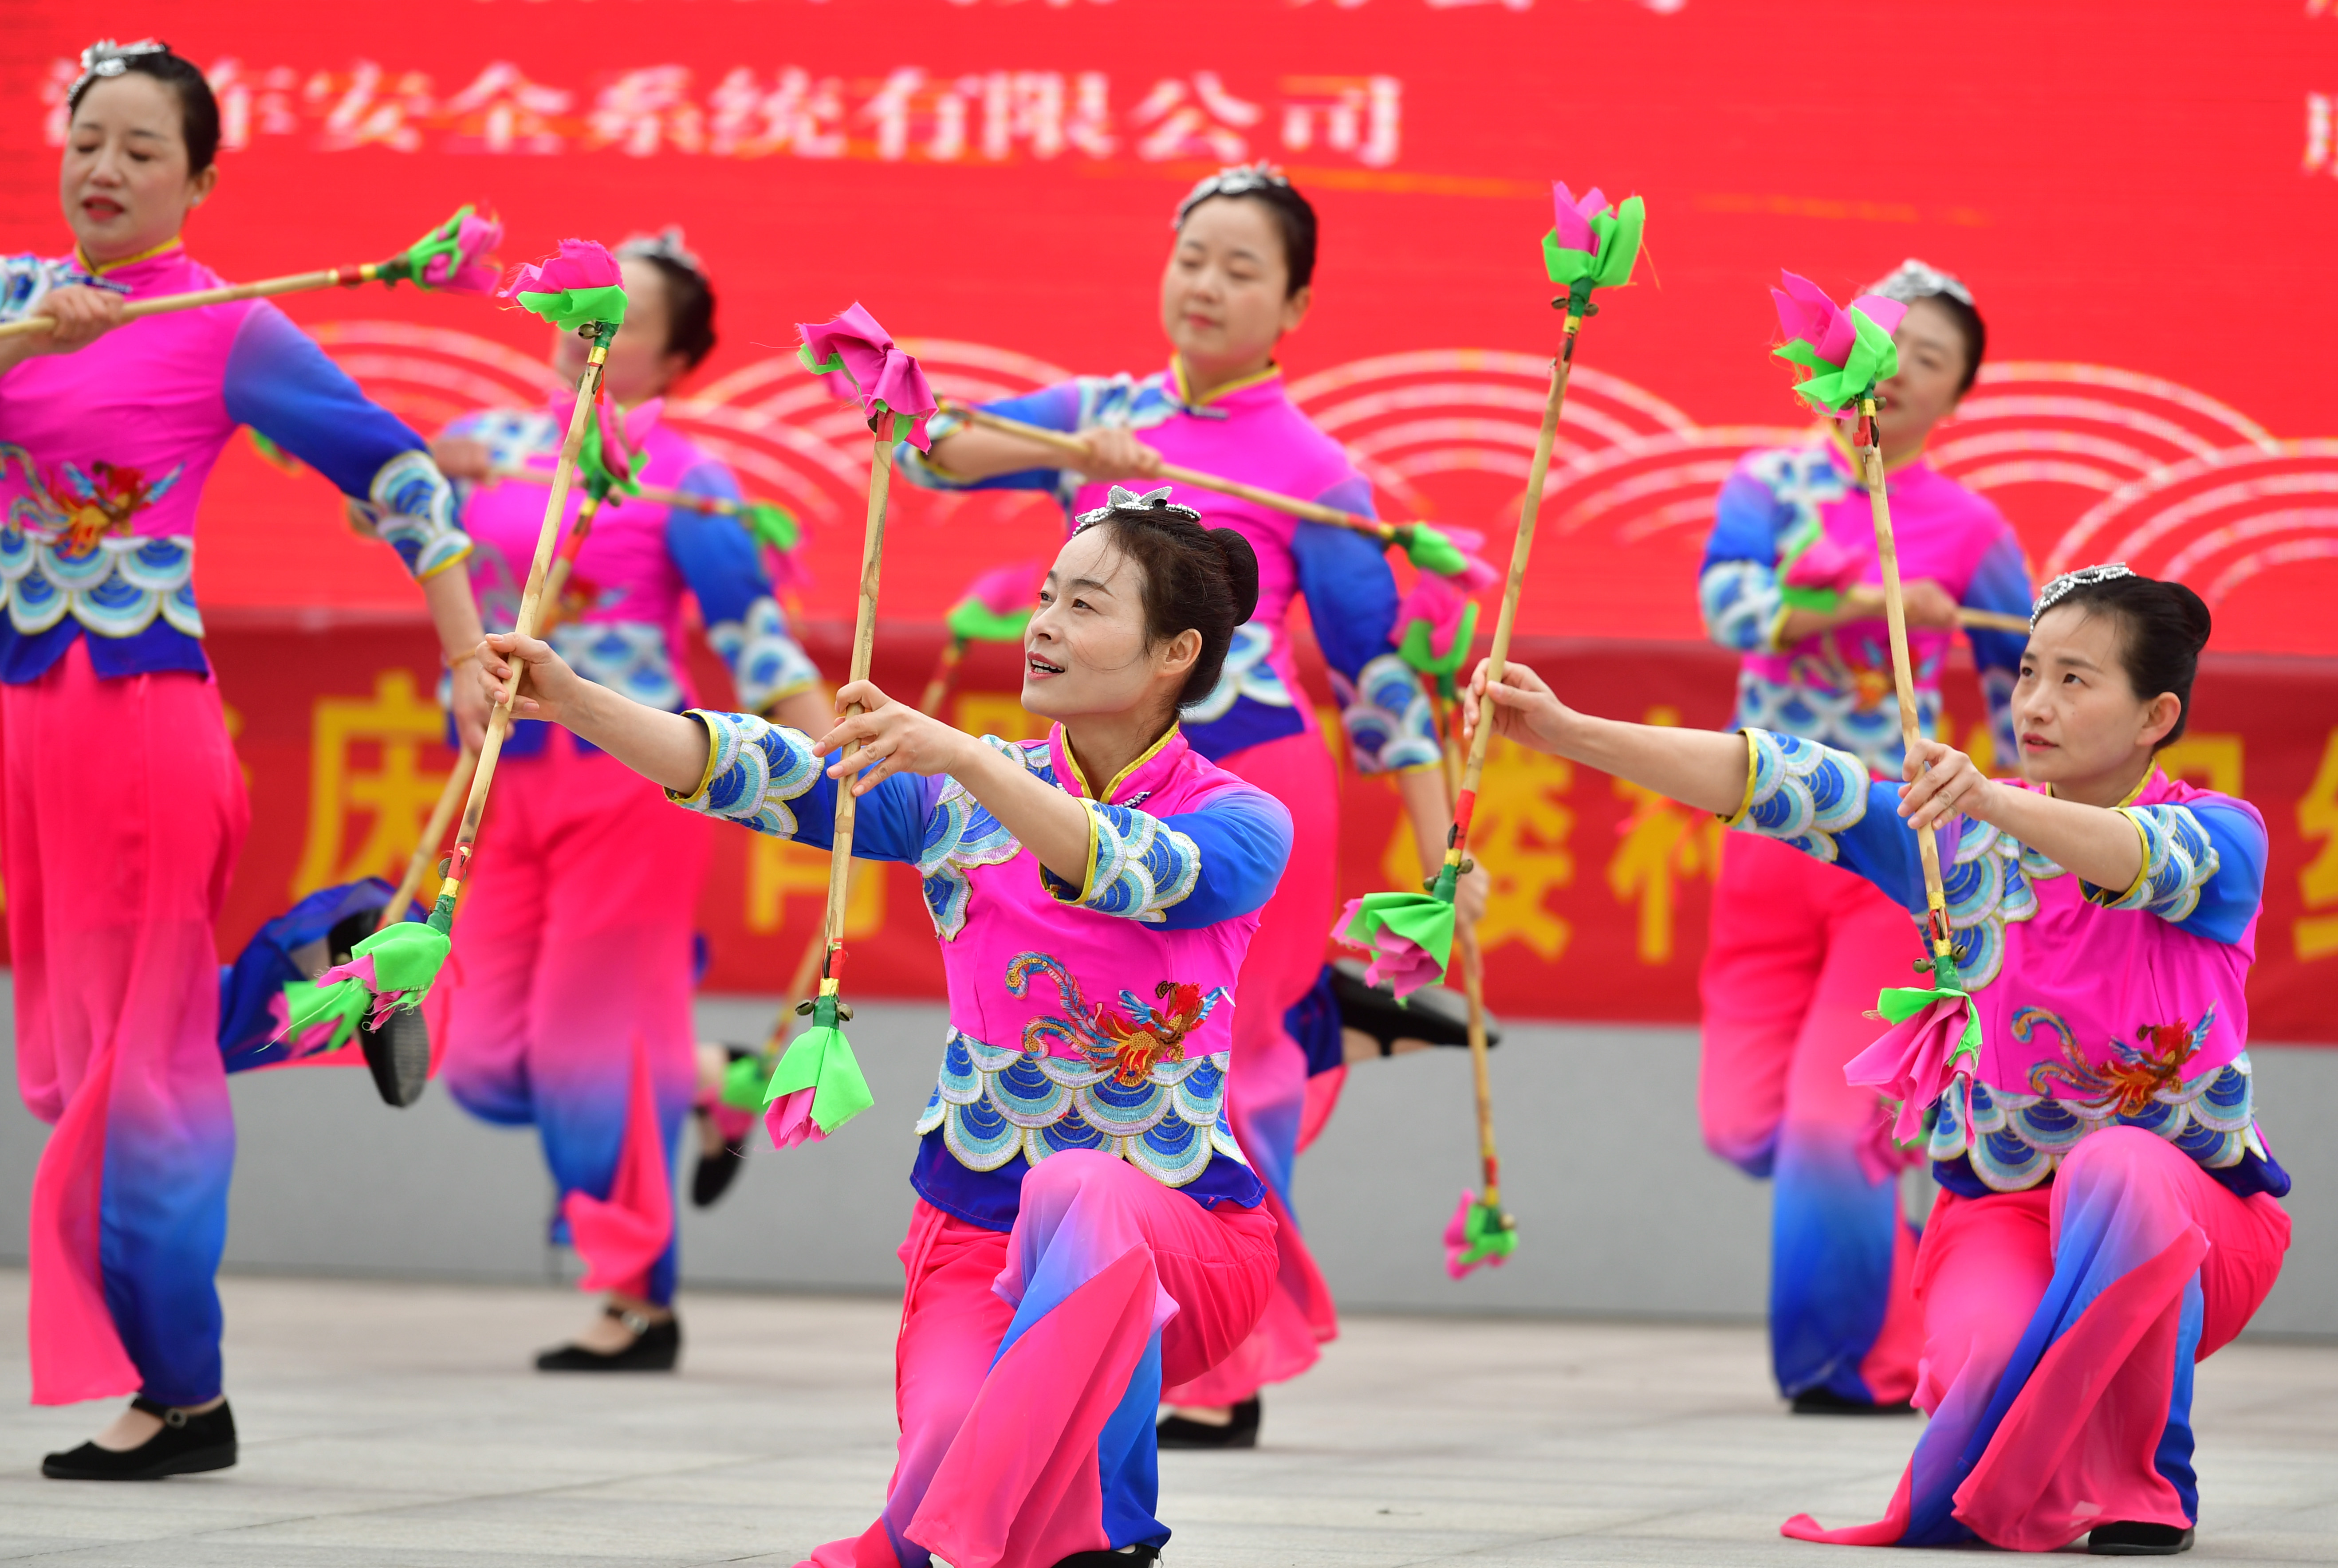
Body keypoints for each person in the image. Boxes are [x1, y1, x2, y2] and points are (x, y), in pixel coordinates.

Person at [480, 487, 1292, 1567]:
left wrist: (968, 759)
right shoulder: (959, 795)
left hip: (1183, 1244)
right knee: (952, 1442)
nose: (1043, 622)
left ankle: (1005, 1535)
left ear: (1174, 653)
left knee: (1084, 1188)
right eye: (1044, 595)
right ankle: (1077, 1540)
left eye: (1084, 605)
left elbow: (1136, 870)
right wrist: (582, 704)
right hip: (979, 1228)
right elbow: (768, 776)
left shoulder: (1241, 819)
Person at [1466, 566, 2288, 1555]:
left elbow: (2131, 854)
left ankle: (2144, 1487)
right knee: (1982, 1370)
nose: (2034, 702)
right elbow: (1775, 779)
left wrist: (1989, 801)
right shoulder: (1959, 836)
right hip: (2005, 1205)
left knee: (2121, 1167)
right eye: (2029, 671)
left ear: (2157, 715)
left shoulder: (2222, 837)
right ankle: (2025, 1459)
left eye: (2076, 681)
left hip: (2194, 1227)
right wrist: (1565, 731)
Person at [897, 164, 1485, 1446]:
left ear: (1293, 306)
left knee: (1223, 1058)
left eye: (1241, 268)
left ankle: (1213, 1356)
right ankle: (1078, 1298)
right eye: (1191, 256)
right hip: (1077, 791)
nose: (1206, 284)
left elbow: (1378, 674)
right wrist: (1062, 449)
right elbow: (922, 446)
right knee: (1087, 1039)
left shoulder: (1316, 473)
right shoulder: (1098, 411)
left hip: (1242, 789)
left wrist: (1445, 863)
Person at [0, 40, 488, 1479]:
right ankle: (326, 984)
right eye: (90, 139)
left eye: (144, 150)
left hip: (142, 722)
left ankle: (183, 1389)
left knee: (134, 1074)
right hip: (31, 727)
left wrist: (467, 649)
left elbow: (397, 469)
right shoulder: (17, 300)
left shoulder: (225, 327)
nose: (105, 169)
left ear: (199, 182)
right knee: (84, 1053)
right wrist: (33, 341)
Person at [426, 228, 830, 1371]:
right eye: (585, 309)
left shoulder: (694, 487)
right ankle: (708, 1078)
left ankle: (634, 1298)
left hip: (625, 781)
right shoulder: (489, 450)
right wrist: (409, 487)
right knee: (485, 1055)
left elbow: (754, 639)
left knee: (587, 1052)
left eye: (627, 320)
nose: (592, 331)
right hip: (498, 779)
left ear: (675, 359)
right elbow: (401, 529)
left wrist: (829, 751)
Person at [1693, 259, 2035, 1412]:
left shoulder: (1971, 527)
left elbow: (2019, 687)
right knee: (1747, 1125)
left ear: (1951, 400)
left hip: (1889, 844)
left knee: (1831, 1120)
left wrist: (2021, 824)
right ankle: (1884, 1238)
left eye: (1922, 363)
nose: (1889, 374)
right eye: (1877, 346)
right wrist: (1857, 598)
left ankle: (1857, 1369)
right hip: (1762, 830)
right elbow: (1727, 607)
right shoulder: (1766, 482)